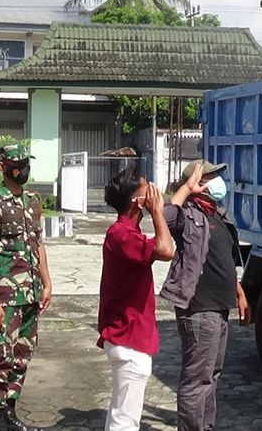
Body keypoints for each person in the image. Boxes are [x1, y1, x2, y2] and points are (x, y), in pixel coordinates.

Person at [160, 160, 251, 431]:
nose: (217, 181)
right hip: (200, 308)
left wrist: (239, 291)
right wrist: (186, 189)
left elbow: (222, 259)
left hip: (220, 307)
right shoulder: (187, 212)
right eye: (209, 177)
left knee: (211, 376)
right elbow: (163, 217)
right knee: (196, 380)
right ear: (196, 183)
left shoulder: (218, 214)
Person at [0, 143, 52, 431]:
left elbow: (39, 244)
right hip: (5, 296)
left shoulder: (32, 201)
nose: (23, 168)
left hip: (29, 292)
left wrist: (46, 282)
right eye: (16, 163)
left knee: (22, 352)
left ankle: (9, 410)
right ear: (2, 167)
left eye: (25, 162)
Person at [98, 169, 175, 430]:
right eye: (146, 190)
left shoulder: (126, 233)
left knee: (120, 411)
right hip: (129, 338)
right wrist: (156, 212)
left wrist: (184, 191)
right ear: (136, 202)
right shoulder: (121, 235)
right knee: (125, 420)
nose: (153, 192)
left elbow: (160, 241)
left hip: (127, 337)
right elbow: (166, 250)